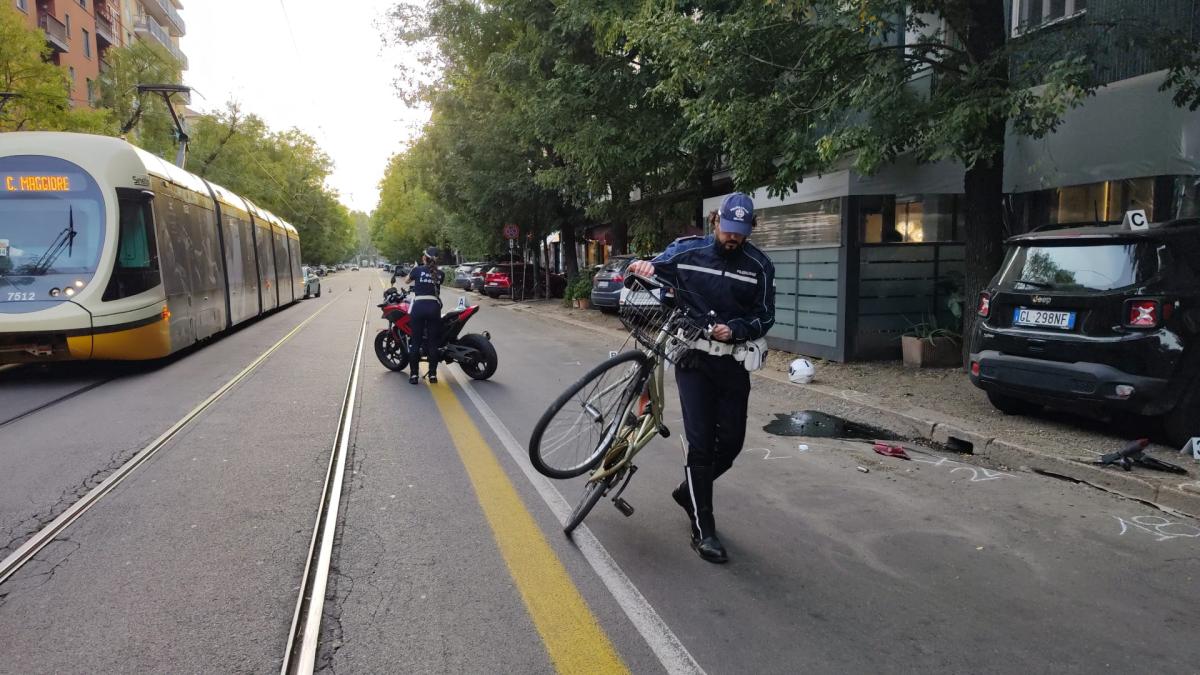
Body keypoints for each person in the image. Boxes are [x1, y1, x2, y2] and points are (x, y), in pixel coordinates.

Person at [627, 192, 775, 564]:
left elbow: (765, 316)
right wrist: (639, 268)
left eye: (740, 232)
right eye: (727, 229)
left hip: (733, 363)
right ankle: (703, 528)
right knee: (701, 444)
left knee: (732, 445)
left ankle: (687, 491)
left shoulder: (759, 267)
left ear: (749, 230)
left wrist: (737, 329)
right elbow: (649, 270)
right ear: (715, 223)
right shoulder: (687, 251)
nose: (733, 238)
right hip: (693, 360)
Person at [405, 247, 446, 385]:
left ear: (424, 258)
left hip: (419, 307)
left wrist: (414, 268)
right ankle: (433, 376)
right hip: (434, 308)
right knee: (433, 343)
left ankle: (414, 375)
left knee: (415, 342)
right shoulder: (441, 274)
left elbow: (406, 281)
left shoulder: (417, 270)